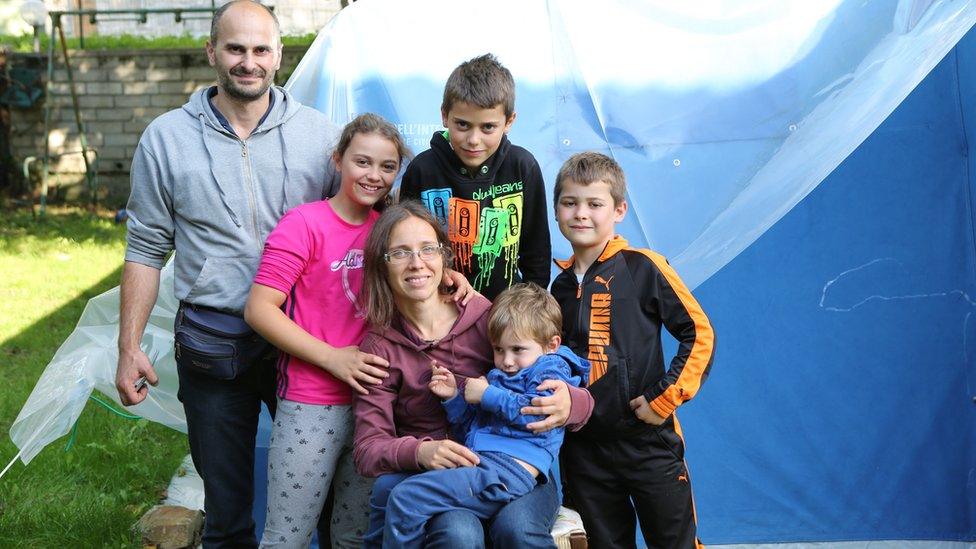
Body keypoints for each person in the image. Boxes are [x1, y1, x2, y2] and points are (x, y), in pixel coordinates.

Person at [114, 1, 341, 546]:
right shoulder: (166, 138)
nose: (248, 61)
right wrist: (129, 345)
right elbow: (146, 247)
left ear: (279, 56)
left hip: (304, 339)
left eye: (261, 49)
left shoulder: (322, 136)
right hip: (214, 343)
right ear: (212, 52)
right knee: (227, 509)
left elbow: (355, 237)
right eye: (235, 48)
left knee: (328, 499)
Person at [353, 201, 594, 548]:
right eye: (401, 253)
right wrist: (421, 452)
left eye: (427, 249)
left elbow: (552, 365)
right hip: (446, 473)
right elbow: (368, 449)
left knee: (516, 528)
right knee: (458, 533)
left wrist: (572, 402)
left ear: (444, 256)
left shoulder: (484, 315)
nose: (417, 262)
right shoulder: (379, 346)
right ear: (383, 264)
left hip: (517, 464)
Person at [242, 114, 405, 547]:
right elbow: (259, 310)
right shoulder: (304, 223)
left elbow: (422, 281)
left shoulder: (389, 231)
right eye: (363, 162)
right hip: (311, 404)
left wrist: (453, 280)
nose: (374, 175)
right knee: (287, 536)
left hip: (376, 406)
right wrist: (333, 357)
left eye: (387, 167)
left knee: (356, 537)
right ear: (338, 160)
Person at [550, 152, 717, 549]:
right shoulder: (557, 288)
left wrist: (663, 398)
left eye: (595, 204)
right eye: (570, 202)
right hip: (584, 451)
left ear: (619, 209)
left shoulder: (643, 267)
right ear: (556, 209)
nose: (581, 214)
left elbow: (700, 333)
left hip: (648, 443)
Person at [382, 283, 589, 548]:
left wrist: (487, 394)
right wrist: (453, 398)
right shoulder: (501, 376)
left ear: (551, 345)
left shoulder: (550, 369)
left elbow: (535, 414)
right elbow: (472, 427)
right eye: (499, 349)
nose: (507, 360)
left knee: (406, 497)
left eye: (517, 349)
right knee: (397, 493)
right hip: (483, 463)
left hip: (509, 469)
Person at [398, 53, 551, 300]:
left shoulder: (523, 167)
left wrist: (531, 310)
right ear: (445, 115)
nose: (473, 139)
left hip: (506, 313)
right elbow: (407, 247)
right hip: (441, 305)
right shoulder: (422, 170)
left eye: (488, 127)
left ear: (509, 121)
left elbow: (537, 251)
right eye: (463, 125)